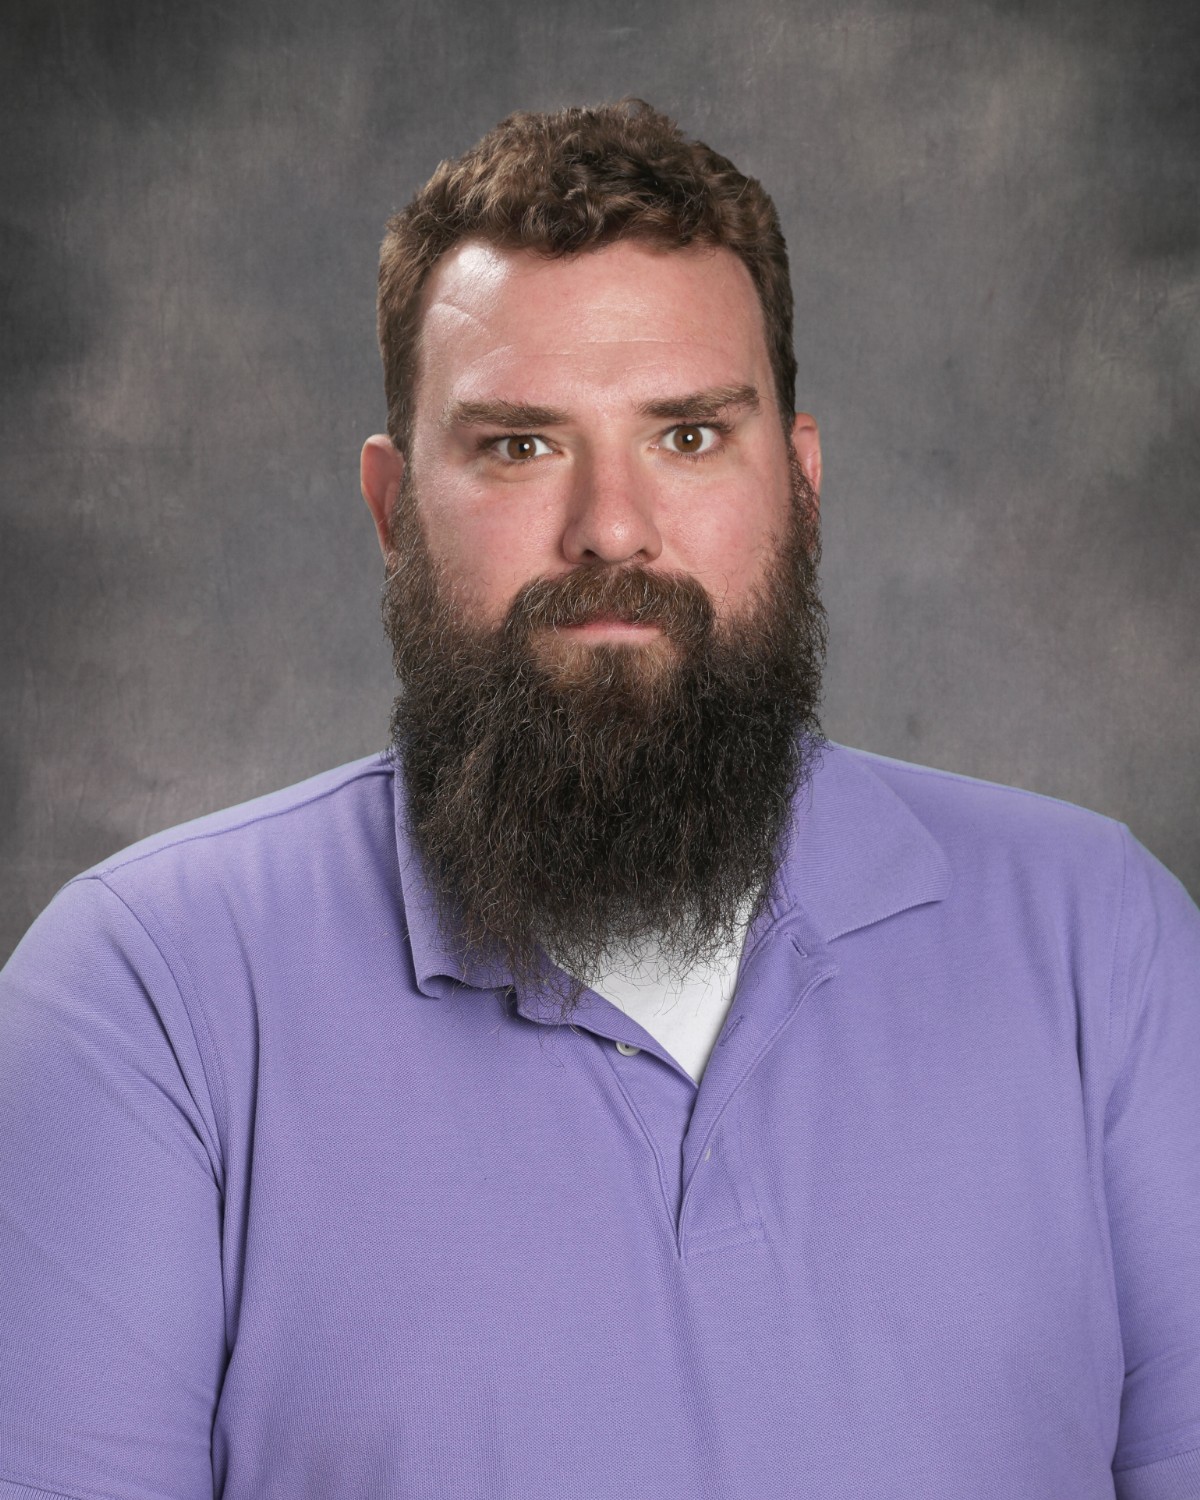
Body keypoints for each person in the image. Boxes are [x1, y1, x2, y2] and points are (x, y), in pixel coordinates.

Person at [0, 100, 1197, 1500]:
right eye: (521, 445)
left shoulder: (1104, 944)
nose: (613, 528)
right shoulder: (144, 998)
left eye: (688, 435)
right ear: (394, 510)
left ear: (802, 488)